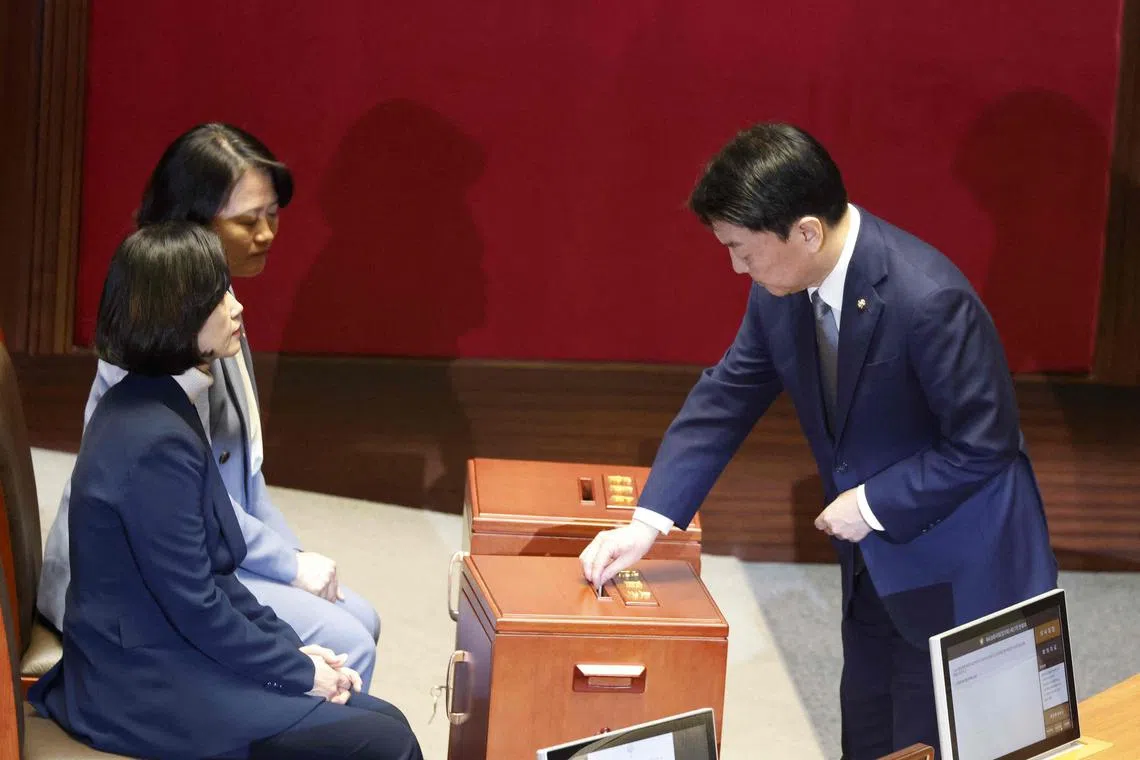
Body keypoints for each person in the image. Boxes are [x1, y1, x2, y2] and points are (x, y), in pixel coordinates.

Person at [579, 123, 1058, 758]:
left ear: (806, 231)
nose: (735, 267)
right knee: (867, 732)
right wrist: (648, 522)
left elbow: (985, 444)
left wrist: (870, 503)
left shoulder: (929, 297)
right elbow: (726, 398)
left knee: (940, 740)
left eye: (743, 249)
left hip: (959, 567)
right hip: (872, 568)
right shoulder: (781, 288)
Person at [29, 223, 422, 760]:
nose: (237, 307)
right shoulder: (152, 439)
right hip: (144, 687)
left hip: (165, 653)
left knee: (383, 721)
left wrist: (293, 650)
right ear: (175, 314)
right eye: (218, 297)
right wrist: (298, 671)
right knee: (385, 739)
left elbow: (213, 577)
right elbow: (195, 604)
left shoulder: (159, 403)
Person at [38, 123, 381, 689]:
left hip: (209, 544)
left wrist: (293, 555)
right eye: (248, 220)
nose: (268, 233)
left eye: (273, 215)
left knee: (359, 614)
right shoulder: (152, 339)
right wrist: (289, 566)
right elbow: (188, 501)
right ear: (190, 225)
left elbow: (244, 472)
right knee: (347, 640)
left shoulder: (221, 317)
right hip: (147, 572)